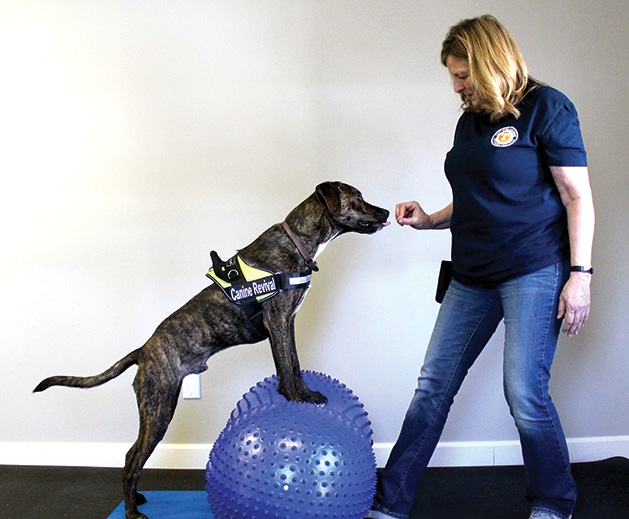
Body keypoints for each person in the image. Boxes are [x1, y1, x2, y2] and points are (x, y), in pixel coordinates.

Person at [369, 15, 595, 519]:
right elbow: (472, 199)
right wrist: (429, 220)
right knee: (432, 387)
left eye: (464, 75)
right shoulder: (469, 121)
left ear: (493, 62)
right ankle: (392, 500)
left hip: (533, 269)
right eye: (452, 75)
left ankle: (553, 502)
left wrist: (580, 276)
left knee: (524, 393)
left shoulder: (548, 108)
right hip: (472, 274)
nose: (457, 86)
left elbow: (577, 196)